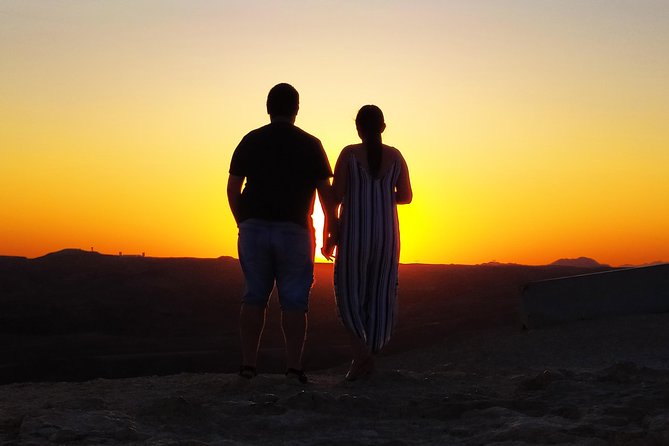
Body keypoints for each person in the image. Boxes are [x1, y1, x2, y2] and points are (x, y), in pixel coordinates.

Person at [227, 83, 335, 383]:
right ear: (296, 109)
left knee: (254, 296)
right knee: (295, 301)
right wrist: (332, 230)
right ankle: (293, 368)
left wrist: (242, 222)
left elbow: (233, 188)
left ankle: (248, 366)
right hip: (294, 230)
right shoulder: (311, 144)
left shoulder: (251, 140)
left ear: (268, 108)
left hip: (254, 228)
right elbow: (326, 195)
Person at [323, 105, 412, 381]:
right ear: (383, 127)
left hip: (355, 236)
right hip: (387, 237)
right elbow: (407, 196)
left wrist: (332, 232)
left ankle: (361, 358)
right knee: (379, 296)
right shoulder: (396, 156)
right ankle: (365, 359)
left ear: (358, 128)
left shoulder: (349, 154)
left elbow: (336, 197)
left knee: (349, 294)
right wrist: (383, 195)